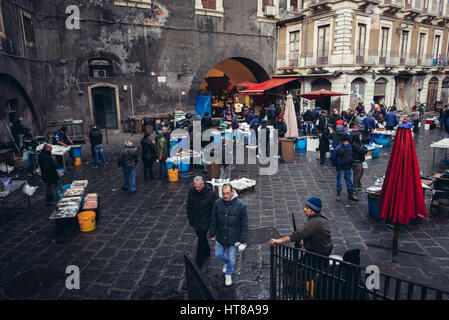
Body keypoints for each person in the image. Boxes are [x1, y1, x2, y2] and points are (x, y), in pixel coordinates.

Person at [209, 183, 249, 286]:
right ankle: (228, 263)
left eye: (227, 193)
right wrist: (212, 233)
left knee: (232, 258)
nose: (225, 196)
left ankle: (228, 274)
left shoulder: (241, 205)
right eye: (223, 193)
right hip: (221, 235)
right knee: (218, 254)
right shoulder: (218, 203)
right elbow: (213, 219)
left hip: (234, 238)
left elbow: (245, 224)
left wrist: (242, 240)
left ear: (232, 192)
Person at [269, 197, 333, 257]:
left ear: (313, 211)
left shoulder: (313, 223)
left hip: (319, 253)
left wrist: (279, 240)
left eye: (307, 208)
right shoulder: (321, 218)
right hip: (326, 248)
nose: (304, 209)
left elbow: (297, 235)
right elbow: (315, 233)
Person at [186, 176, 218, 269]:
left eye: (198, 187)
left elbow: (215, 209)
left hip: (205, 222)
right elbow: (189, 206)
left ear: (203, 184)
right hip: (195, 221)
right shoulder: (191, 192)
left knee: (201, 240)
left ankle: (199, 262)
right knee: (202, 238)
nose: (197, 189)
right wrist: (190, 218)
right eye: (196, 187)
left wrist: (212, 222)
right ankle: (207, 251)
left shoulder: (211, 194)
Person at [334, 135, 358, 201]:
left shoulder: (350, 147)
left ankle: (351, 194)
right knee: (340, 182)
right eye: (344, 141)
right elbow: (334, 158)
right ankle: (338, 195)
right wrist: (337, 166)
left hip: (349, 167)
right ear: (342, 142)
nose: (346, 143)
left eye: (347, 141)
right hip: (341, 168)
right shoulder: (338, 148)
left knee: (350, 181)